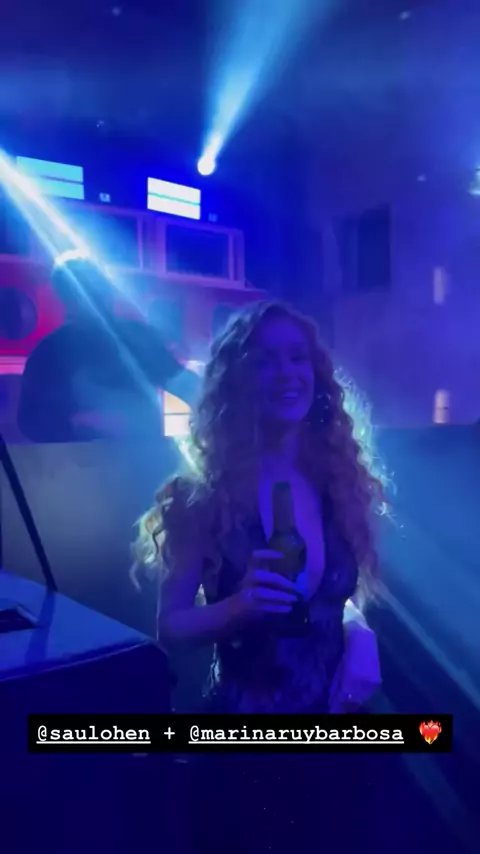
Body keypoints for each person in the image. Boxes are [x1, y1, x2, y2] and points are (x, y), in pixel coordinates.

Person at [17, 254, 201, 442]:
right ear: (69, 299)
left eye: (103, 289)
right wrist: (78, 421)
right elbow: (29, 422)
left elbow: (181, 381)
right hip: (80, 457)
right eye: (91, 292)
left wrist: (212, 396)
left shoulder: (139, 336)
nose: (104, 298)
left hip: (150, 453)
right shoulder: (49, 352)